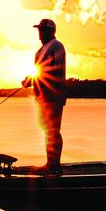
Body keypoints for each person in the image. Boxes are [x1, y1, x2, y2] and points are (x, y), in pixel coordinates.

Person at [22, 18, 66, 174]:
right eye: (39, 30)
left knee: (53, 130)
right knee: (47, 130)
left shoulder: (56, 46)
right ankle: (50, 163)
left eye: (42, 30)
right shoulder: (40, 51)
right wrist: (31, 81)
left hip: (53, 96)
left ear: (50, 31)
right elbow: (41, 73)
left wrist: (32, 79)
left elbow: (51, 69)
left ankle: (53, 165)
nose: (39, 33)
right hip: (42, 97)